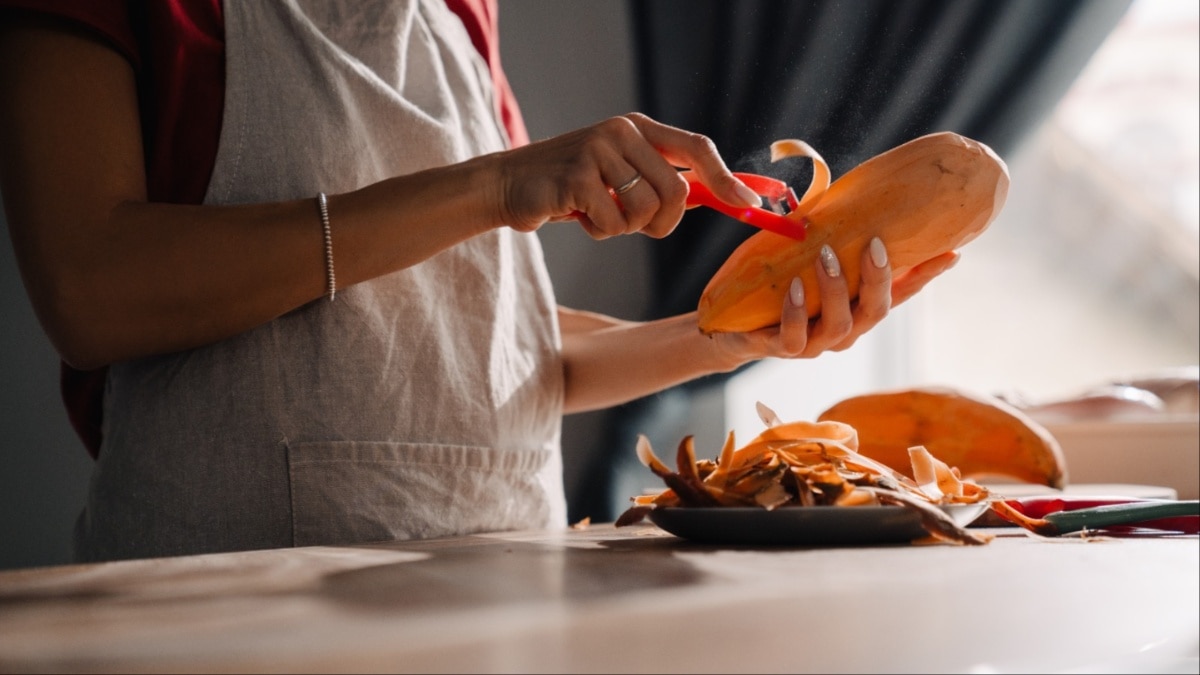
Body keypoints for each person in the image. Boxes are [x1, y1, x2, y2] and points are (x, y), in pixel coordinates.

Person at [0, 0, 958, 562]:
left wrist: (731, 336)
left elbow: (498, 342)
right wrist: (496, 183)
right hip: (225, 619)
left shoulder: (460, 13)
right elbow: (90, 292)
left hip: (505, 598)